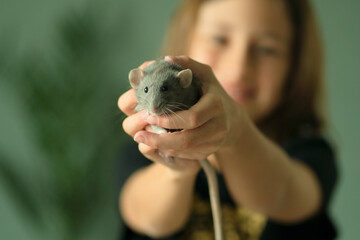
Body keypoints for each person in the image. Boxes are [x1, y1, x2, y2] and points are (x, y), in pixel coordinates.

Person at [117, 0, 338, 239]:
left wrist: (237, 131)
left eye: (266, 49)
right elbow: (144, 215)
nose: (239, 68)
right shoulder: (139, 151)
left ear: (294, 65)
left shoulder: (310, 153)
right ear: (185, 44)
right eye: (219, 39)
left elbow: (283, 195)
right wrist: (178, 165)